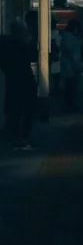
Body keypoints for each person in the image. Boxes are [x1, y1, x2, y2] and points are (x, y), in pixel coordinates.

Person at [0, 21, 37, 149]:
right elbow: (31, 57)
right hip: (25, 80)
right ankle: (24, 137)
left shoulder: (5, 44)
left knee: (15, 111)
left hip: (13, 81)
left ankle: (15, 136)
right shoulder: (22, 45)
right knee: (27, 110)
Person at [59, 19, 83, 111]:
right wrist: (79, 65)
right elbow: (72, 53)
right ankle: (71, 104)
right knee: (71, 86)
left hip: (68, 65)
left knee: (69, 86)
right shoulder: (71, 38)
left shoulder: (66, 36)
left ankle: (69, 104)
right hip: (71, 66)